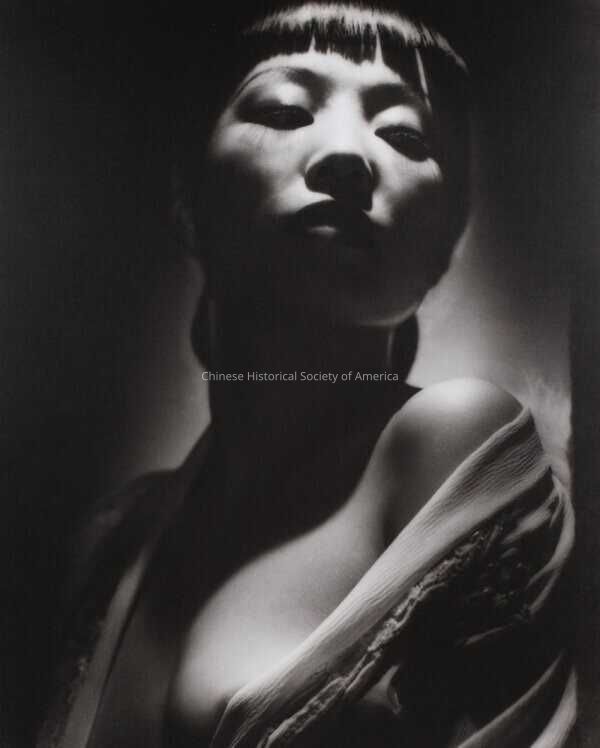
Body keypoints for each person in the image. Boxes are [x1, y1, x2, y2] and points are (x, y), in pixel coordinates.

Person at [38, 3, 576, 746]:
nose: (348, 156)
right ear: (186, 194)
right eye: (286, 111)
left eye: (403, 135)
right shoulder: (113, 542)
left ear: (445, 245)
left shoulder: (452, 447)